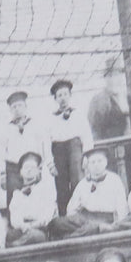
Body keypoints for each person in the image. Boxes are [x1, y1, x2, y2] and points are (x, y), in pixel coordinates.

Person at [51, 147, 128, 238]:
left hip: (105, 220)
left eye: (99, 161)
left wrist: (117, 225)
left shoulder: (114, 180)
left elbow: (122, 207)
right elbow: (72, 208)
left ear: (106, 162)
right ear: (88, 165)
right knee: (56, 223)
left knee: (90, 229)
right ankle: (74, 235)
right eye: (93, 162)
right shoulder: (83, 183)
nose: (96, 165)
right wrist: (73, 221)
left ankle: (69, 239)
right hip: (84, 218)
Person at [47, 78, 88, 215]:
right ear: (55, 99)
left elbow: (86, 136)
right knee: (61, 186)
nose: (63, 98)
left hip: (75, 150)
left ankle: (80, 215)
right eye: (59, 95)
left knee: (78, 181)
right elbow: (46, 142)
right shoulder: (50, 118)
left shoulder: (78, 114)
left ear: (70, 95)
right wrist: (50, 163)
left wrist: (86, 155)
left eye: (65, 94)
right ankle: (64, 217)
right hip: (58, 151)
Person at [1, 90, 47, 208]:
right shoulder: (6, 128)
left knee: (35, 195)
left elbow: (42, 145)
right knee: (14, 199)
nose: (17, 109)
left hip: (31, 165)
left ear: (26, 106)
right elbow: (1, 152)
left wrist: (41, 165)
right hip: (13, 167)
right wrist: (2, 174)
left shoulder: (35, 124)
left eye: (20, 105)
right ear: (10, 110)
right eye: (14, 107)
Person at [7, 150, 57, 246]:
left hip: (40, 229)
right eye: (26, 167)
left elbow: (46, 216)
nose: (29, 170)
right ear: (21, 172)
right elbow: (15, 217)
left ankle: (14, 246)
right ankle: (14, 245)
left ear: (39, 170)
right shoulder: (17, 194)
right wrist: (23, 226)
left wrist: (32, 225)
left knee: (36, 236)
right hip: (22, 229)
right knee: (8, 235)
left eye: (33, 168)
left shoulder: (45, 190)